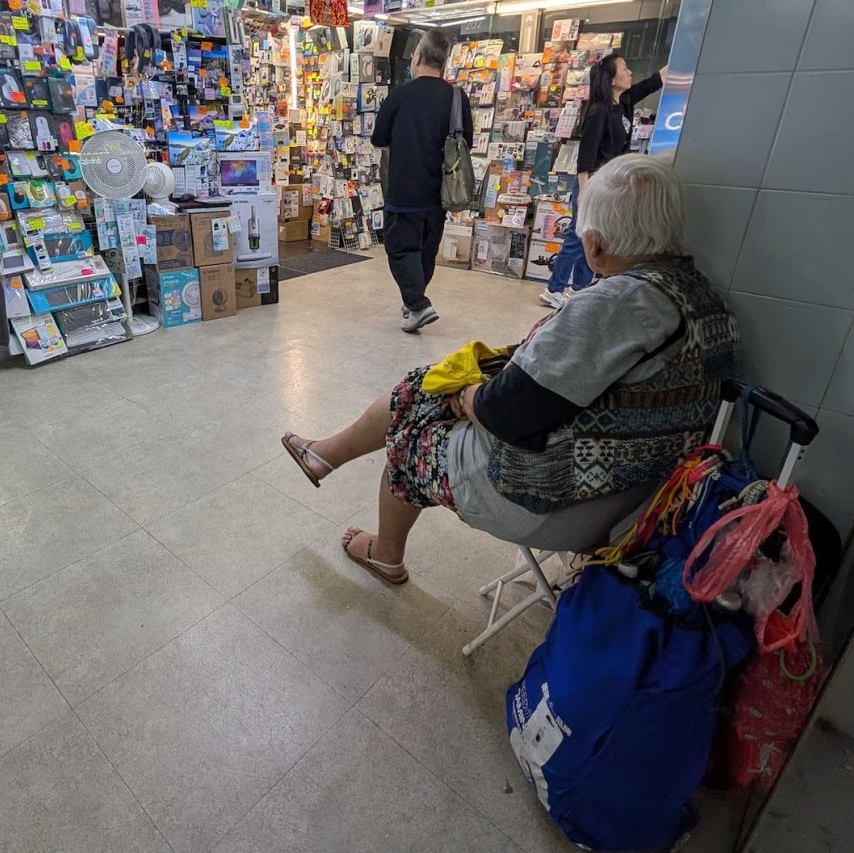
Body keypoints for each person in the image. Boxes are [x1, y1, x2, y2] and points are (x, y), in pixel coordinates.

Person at [280, 154, 742, 585]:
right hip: (643, 493)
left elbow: (505, 413)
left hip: (561, 500)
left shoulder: (614, 303)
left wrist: (463, 398)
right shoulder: (700, 297)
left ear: (595, 244)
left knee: (410, 440)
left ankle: (384, 552)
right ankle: (325, 454)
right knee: (428, 381)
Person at [542, 53, 667, 309]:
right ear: (611, 79)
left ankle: (579, 288)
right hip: (591, 183)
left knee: (597, 237)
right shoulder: (598, 112)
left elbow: (656, 80)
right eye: (625, 68)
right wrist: (584, 191)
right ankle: (554, 288)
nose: (630, 72)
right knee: (580, 237)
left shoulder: (625, 102)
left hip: (610, 183)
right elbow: (586, 154)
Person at [371, 29, 473, 333]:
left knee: (401, 250)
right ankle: (412, 306)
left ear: (417, 56)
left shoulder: (400, 95)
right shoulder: (457, 97)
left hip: (403, 189)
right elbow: (466, 142)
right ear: (444, 61)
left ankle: (418, 304)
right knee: (425, 252)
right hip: (440, 192)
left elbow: (379, 140)